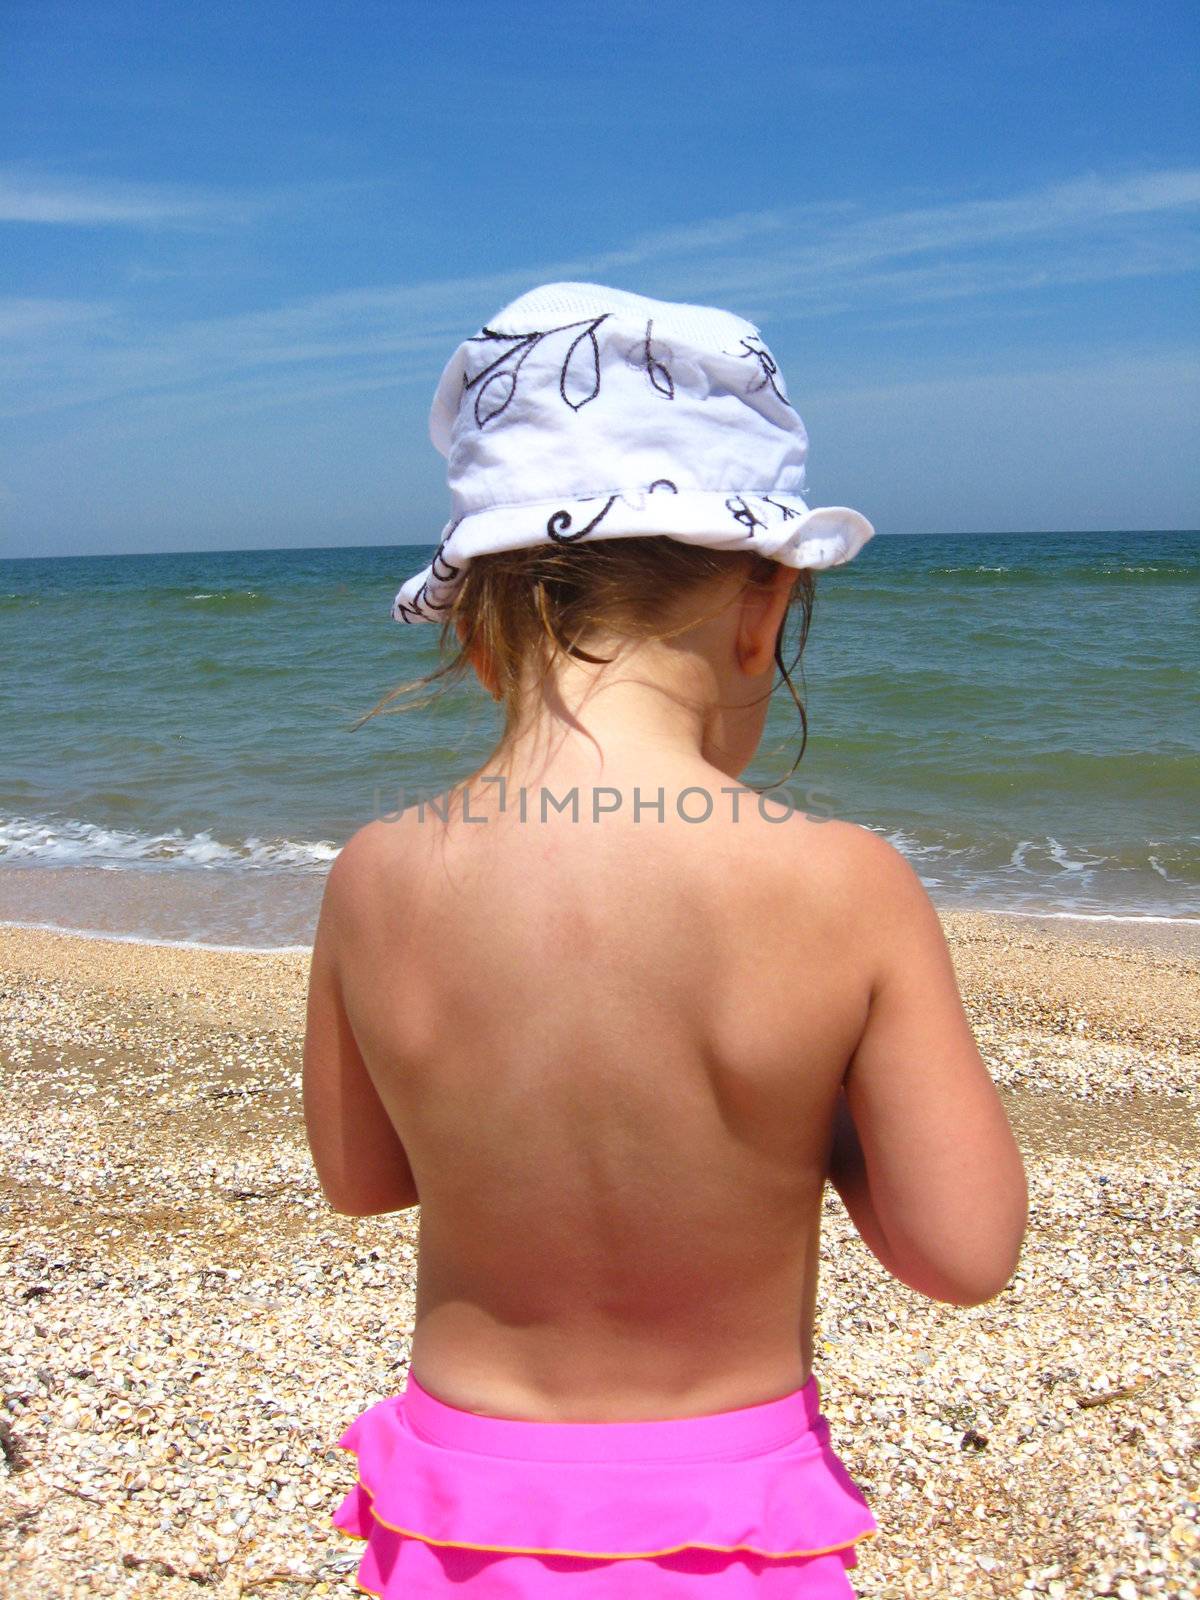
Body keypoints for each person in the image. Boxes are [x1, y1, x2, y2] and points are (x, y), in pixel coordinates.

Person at [302, 282, 1028, 1598]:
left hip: (459, 1526)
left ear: (471, 630)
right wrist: (815, 1122)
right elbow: (962, 1253)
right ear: (764, 607)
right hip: (730, 1530)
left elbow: (363, 1177)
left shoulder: (375, 877)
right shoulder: (844, 889)